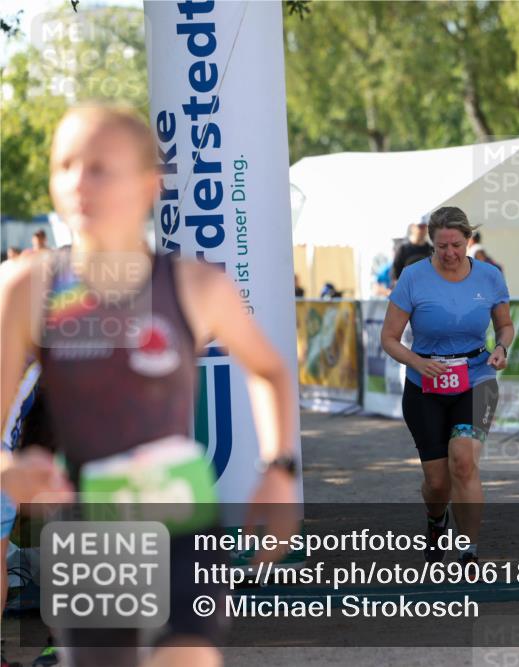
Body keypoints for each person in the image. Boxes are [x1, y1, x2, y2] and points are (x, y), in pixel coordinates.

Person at [0, 104, 298, 667]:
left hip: (181, 521)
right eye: (65, 166)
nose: (78, 184)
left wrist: (278, 469)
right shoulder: (27, 287)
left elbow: (271, 370)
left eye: (100, 168)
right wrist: (8, 469)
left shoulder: (194, 283)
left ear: (148, 184)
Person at [381, 206, 513, 566]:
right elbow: (389, 338)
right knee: (437, 483)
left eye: (456, 244)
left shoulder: (489, 276)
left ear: (468, 240)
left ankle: (469, 550)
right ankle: (436, 519)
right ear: (431, 245)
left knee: (464, 461)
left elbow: (505, 326)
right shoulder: (413, 277)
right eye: (442, 247)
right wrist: (417, 361)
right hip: (425, 382)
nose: (450, 253)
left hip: (476, 375)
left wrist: (501, 348)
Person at [391, 218, 432, 285]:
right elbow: (395, 276)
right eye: (420, 227)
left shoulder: (432, 250)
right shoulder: (403, 250)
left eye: (425, 226)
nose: (422, 229)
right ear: (413, 227)